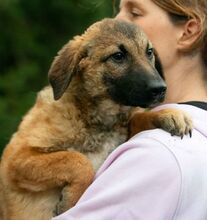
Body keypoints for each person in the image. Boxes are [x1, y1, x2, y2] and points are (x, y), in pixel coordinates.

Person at [53, 0, 207, 219]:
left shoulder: (156, 154)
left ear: (188, 32)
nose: (116, 21)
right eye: (118, 9)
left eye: (135, 12)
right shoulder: (197, 138)